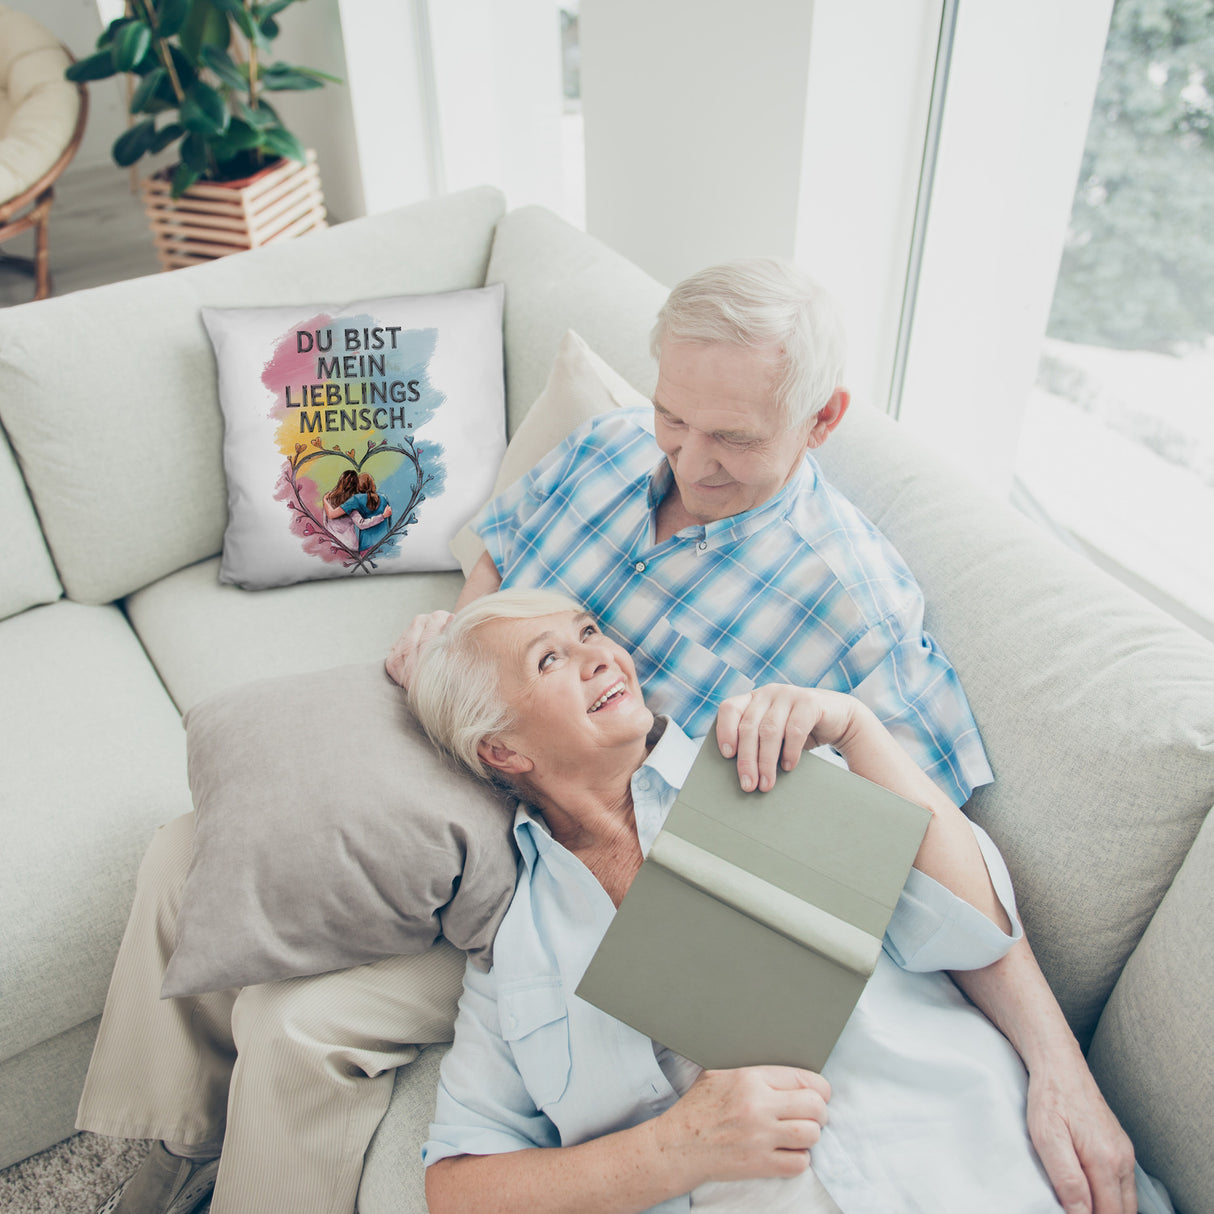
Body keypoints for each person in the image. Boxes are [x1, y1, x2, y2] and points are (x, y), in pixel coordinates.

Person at [79, 260, 1133, 1214]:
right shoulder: (608, 447)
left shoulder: (854, 608)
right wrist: (458, 642)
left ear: (820, 420)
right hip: (486, 746)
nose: (688, 458)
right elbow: (497, 561)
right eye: (675, 416)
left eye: (732, 437)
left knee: (299, 1023)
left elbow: (926, 855)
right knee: (192, 846)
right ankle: (161, 1147)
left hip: (579, 852)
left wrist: (1058, 1065)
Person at [408, 589, 1163, 1214]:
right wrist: (674, 1150)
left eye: (589, 632)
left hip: (986, 1168)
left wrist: (859, 731)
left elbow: (973, 930)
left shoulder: (763, 762)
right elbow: (458, 1188)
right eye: (551, 659)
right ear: (502, 750)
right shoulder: (516, 951)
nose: (601, 654)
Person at [323, 469, 392, 551]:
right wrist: (383, 516)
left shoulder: (333, 500)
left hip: (336, 543)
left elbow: (327, 519)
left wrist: (324, 499)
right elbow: (389, 522)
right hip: (383, 540)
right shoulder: (383, 498)